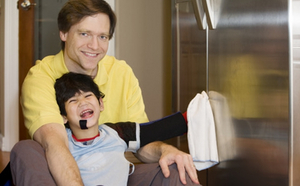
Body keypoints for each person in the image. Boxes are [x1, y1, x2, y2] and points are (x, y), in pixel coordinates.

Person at [10, 0, 199, 185]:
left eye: (103, 37)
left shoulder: (121, 73)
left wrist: (165, 151)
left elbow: (139, 141)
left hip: (112, 172)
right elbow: (55, 144)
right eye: (84, 34)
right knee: (25, 150)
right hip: (60, 171)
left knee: (175, 170)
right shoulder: (41, 77)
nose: (94, 46)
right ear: (64, 33)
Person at [53, 72, 200, 185]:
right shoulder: (60, 142)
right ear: (64, 116)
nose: (82, 103)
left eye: (87, 96)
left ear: (100, 104)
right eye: (73, 100)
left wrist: (197, 116)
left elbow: (156, 129)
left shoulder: (115, 132)